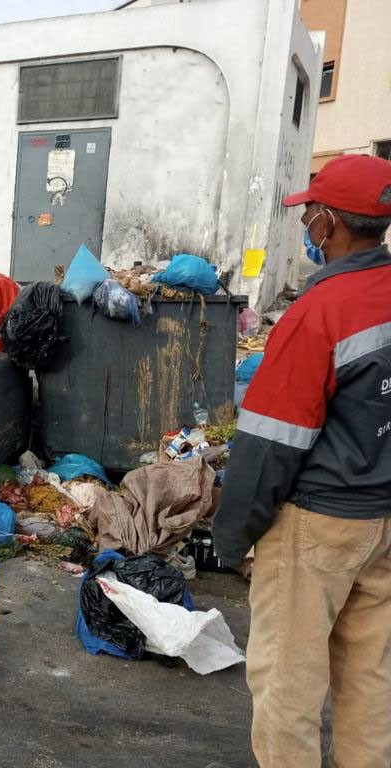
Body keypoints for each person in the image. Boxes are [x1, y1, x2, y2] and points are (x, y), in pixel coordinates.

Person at [212, 154, 391, 768]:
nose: (306, 224)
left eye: (311, 213)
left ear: (331, 223)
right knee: (370, 679)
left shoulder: (319, 311)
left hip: (319, 523)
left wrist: (233, 534)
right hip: (383, 521)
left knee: (289, 684)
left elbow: (270, 444)